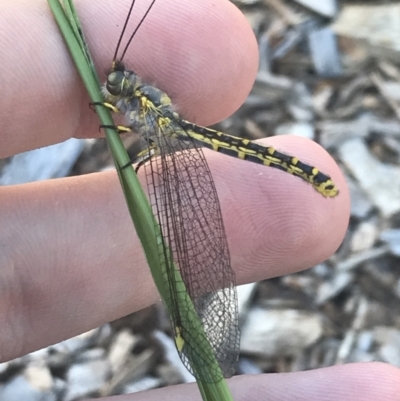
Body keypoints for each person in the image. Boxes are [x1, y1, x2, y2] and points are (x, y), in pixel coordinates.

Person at [1, 0, 398, 400]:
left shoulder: (144, 110)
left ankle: (310, 178)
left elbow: (140, 139)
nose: (112, 89)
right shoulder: (134, 102)